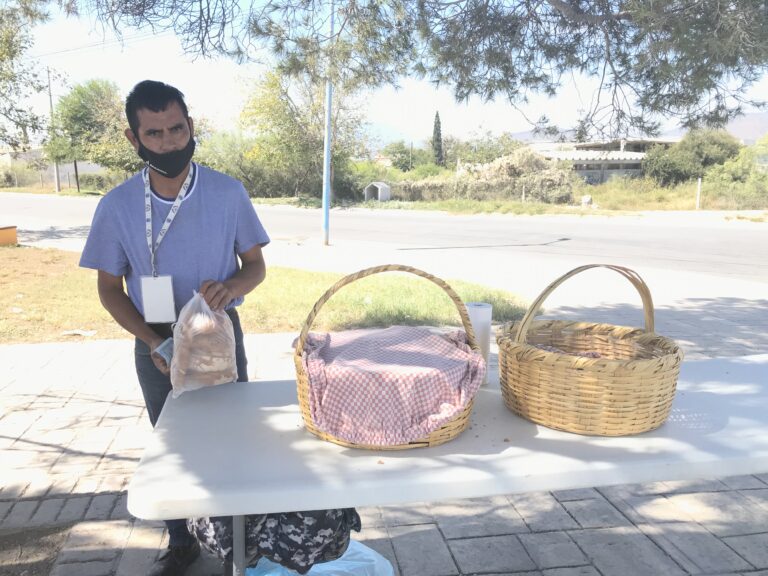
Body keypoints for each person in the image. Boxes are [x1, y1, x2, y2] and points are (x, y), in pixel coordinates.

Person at [80, 79, 270, 576]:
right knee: (171, 442)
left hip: (218, 335)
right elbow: (108, 289)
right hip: (157, 339)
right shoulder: (117, 205)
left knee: (231, 434)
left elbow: (255, 266)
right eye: (155, 132)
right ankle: (181, 540)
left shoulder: (228, 192)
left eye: (177, 129)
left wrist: (232, 287)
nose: (168, 142)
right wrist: (155, 340)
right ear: (133, 138)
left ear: (192, 126)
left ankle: (239, 536)